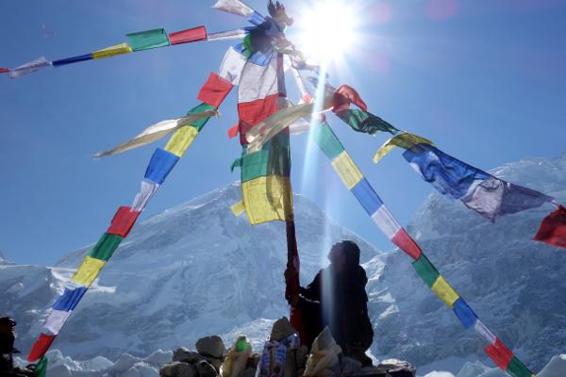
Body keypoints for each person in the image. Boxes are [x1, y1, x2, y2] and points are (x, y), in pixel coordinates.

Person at [296, 241, 374, 366]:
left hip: (353, 334)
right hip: (332, 330)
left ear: (345, 257)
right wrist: (294, 288)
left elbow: (333, 309)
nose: (333, 246)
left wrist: (301, 303)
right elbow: (310, 294)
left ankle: (354, 349)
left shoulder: (353, 281)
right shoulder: (325, 274)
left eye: (339, 246)